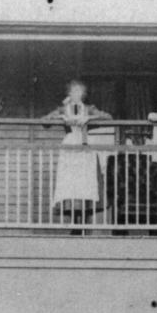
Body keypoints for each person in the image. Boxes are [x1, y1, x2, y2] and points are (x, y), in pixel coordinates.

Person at [42, 79, 110, 224]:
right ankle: (74, 222)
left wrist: (89, 118)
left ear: (83, 94)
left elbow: (108, 118)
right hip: (69, 146)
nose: (76, 94)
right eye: (73, 91)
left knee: (86, 182)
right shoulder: (63, 108)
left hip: (85, 146)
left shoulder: (89, 108)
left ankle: (85, 221)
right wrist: (60, 116)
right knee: (70, 183)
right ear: (69, 93)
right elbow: (45, 121)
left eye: (79, 91)